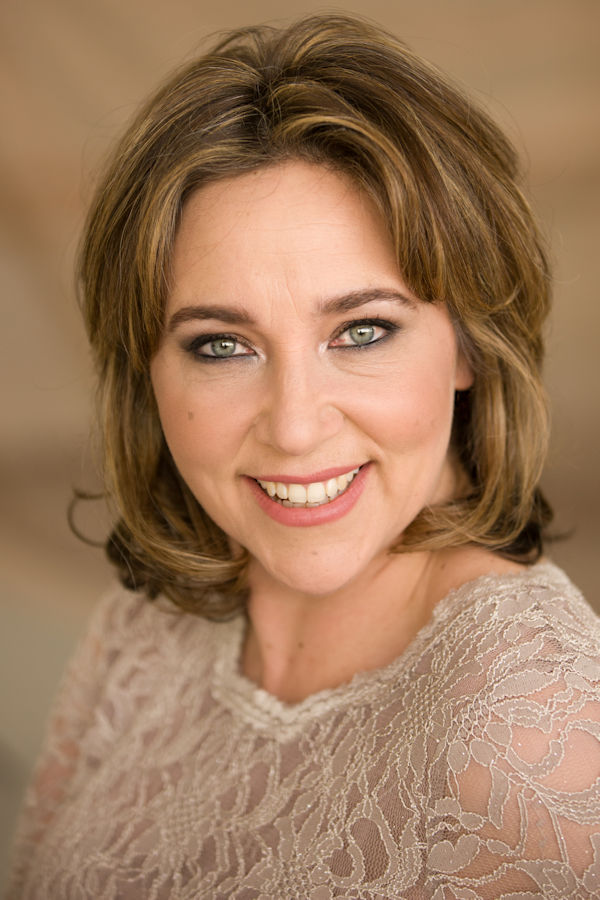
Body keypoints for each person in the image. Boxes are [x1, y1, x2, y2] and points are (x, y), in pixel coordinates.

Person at [7, 14, 600, 899]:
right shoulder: (137, 645)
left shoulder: (535, 731)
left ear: (472, 346)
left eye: (362, 331)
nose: (292, 426)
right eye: (221, 345)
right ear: (150, 374)